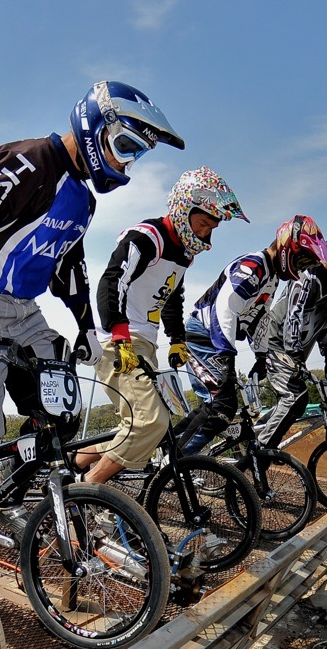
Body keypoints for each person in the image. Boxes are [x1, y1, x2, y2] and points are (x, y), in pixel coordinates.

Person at [0, 81, 185, 498]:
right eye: (126, 146)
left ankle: (11, 496)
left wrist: (86, 328)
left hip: (26, 313)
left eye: (137, 155)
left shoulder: (85, 202)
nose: (128, 163)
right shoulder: (28, 159)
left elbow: (69, 267)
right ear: (96, 127)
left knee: (61, 415)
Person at [72, 168, 247, 485]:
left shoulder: (183, 254)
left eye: (212, 228)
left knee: (141, 427)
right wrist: (121, 336)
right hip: (116, 341)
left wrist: (177, 339)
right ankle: (83, 491)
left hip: (143, 344)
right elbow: (111, 283)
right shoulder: (147, 238)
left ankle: (67, 468)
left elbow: (171, 295)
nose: (207, 234)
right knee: (151, 423)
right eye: (203, 223)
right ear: (184, 208)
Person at [174, 215, 327, 456]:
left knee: (213, 405)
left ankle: (167, 448)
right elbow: (224, 309)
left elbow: (260, 317)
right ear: (287, 247)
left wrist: (260, 356)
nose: (301, 267)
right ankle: (173, 463)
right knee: (222, 408)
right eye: (302, 259)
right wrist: (227, 356)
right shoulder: (253, 267)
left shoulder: (270, 276)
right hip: (203, 336)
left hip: (210, 339)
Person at [252, 233, 327, 450]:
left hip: (291, 351)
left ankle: (257, 434)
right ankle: (259, 452)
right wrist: (296, 355)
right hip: (275, 344)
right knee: (295, 396)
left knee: (297, 401)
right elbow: (294, 316)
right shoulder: (309, 276)